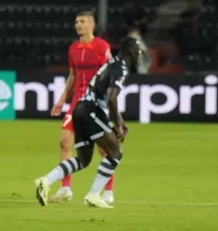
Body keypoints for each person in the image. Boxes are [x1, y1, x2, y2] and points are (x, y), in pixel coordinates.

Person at [36, 37, 140, 208]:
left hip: (80, 109)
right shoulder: (121, 68)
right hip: (91, 110)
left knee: (83, 160)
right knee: (115, 152)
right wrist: (118, 124)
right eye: (138, 50)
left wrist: (119, 121)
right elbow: (112, 98)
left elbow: (109, 96)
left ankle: (45, 181)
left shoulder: (113, 62)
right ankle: (93, 195)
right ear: (131, 51)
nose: (139, 54)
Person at [49, 11, 114, 204]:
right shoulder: (73, 49)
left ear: (92, 25)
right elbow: (72, 76)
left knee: (104, 149)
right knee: (64, 142)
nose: (78, 25)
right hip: (77, 103)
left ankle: (108, 191)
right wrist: (61, 100)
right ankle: (65, 188)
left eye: (82, 21)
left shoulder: (102, 47)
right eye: (77, 22)